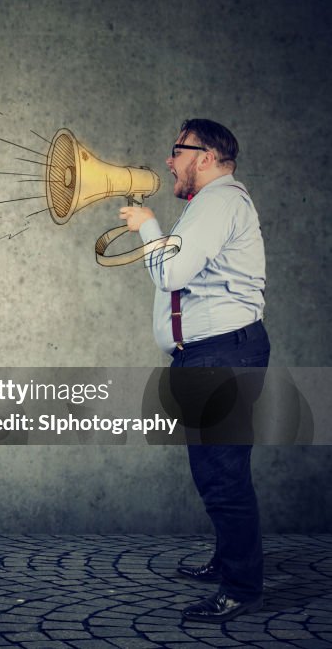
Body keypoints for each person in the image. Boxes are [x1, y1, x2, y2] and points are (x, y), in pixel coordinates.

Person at [120, 118, 269, 623]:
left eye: (176, 150)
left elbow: (173, 273)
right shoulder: (209, 205)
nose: (168, 160)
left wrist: (145, 225)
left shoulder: (220, 201)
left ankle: (242, 587)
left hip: (222, 356)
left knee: (222, 476)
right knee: (218, 471)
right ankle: (231, 561)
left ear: (204, 156)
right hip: (213, 355)